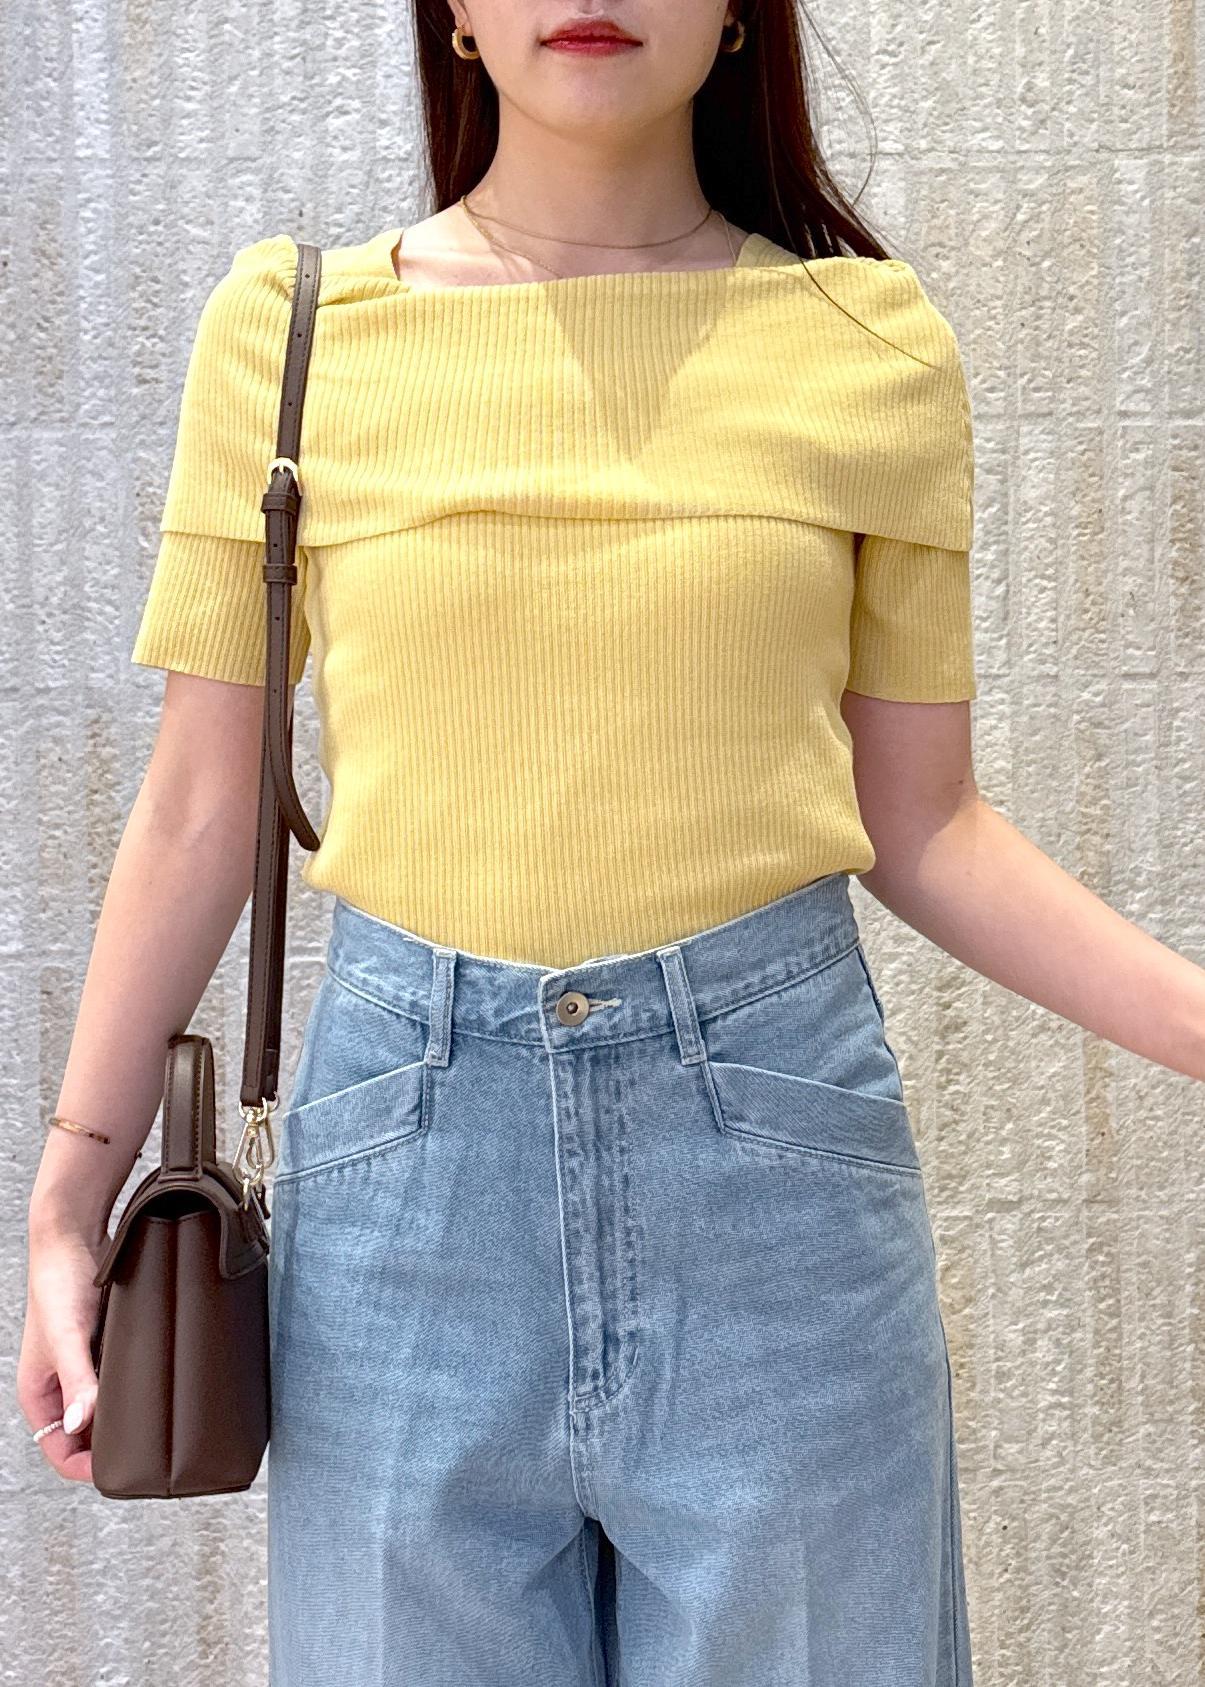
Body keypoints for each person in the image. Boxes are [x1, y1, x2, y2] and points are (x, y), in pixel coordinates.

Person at [20, 1, 1205, 1683]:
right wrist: (71, 1202)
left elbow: (924, 823)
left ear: (734, 17)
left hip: (775, 1183)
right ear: (452, 12)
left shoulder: (864, 344)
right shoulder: (291, 335)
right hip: (402, 1186)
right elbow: (201, 808)